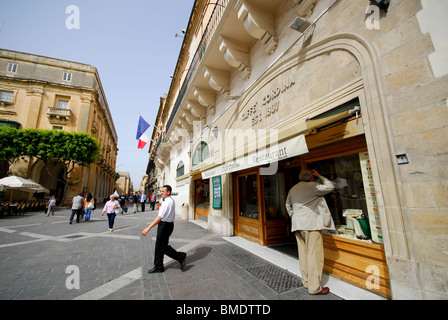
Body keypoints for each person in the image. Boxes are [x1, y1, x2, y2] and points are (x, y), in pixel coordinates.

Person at [285, 169, 335, 295]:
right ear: (311, 178)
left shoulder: (293, 189)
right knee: (315, 255)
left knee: (303, 254)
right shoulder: (313, 186)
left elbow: (288, 205)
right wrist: (320, 175)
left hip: (298, 225)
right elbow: (330, 186)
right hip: (311, 225)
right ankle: (314, 287)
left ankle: (306, 281)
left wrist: (295, 216)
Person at [141, 185, 186, 273]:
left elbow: (160, 217)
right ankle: (159, 267)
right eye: (161, 191)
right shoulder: (169, 200)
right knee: (159, 246)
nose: (161, 193)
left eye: (163, 191)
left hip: (165, 225)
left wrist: (148, 228)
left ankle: (180, 256)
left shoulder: (167, 202)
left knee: (162, 247)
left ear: (168, 192)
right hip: (167, 225)